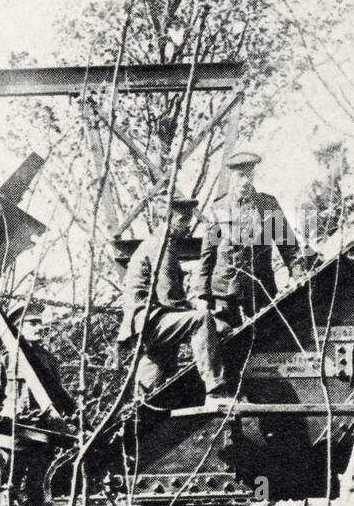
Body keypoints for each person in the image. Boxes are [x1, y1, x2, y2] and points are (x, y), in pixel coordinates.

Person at [0, 300, 74, 506]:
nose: (39, 327)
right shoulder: (7, 360)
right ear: (18, 327)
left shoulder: (48, 360)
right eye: (32, 323)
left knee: (40, 491)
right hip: (12, 438)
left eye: (39, 322)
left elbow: (60, 400)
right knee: (7, 490)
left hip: (43, 437)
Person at [119, 197, 228, 396]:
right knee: (201, 321)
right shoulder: (161, 247)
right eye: (183, 221)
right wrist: (211, 320)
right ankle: (216, 387)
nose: (188, 227)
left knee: (153, 376)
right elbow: (170, 298)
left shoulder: (158, 243)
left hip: (145, 321)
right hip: (149, 320)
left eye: (188, 220)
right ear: (167, 220)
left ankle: (137, 414)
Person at [194, 150, 303, 327]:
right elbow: (208, 255)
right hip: (224, 290)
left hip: (259, 288)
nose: (245, 181)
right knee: (226, 341)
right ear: (231, 176)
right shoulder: (219, 207)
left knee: (266, 337)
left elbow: (288, 245)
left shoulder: (268, 204)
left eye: (249, 175)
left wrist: (298, 273)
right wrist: (203, 295)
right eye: (240, 176)